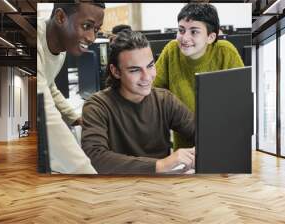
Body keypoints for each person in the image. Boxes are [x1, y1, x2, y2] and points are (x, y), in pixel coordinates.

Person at [81, 30, 195, 174]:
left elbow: (201, 133)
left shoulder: (164, 100)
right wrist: (160, 165)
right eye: (135, 70)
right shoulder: (97, 106)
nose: (147, 77)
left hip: (161, 188)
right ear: (115, 71)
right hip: (119, 188)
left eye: (150, 66)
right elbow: (95, 157)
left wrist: (198, 152)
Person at [153, 3, 244, 150]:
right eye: (181, 30)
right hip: (183, 148)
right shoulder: (171, 50)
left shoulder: (225, 52)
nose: (185, 38)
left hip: (221, 144)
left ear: (210, 37)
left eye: (194, 32)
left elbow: (240, 102)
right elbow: (152, 91)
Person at [37, 2, 104, 174]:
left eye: (95, 29)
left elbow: (48, 84)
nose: (91, 38)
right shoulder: (34, 38)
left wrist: (74, 117)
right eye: (86, 26)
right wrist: (88, 173)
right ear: (60, 17)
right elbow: (47, 115)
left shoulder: (62, 49)